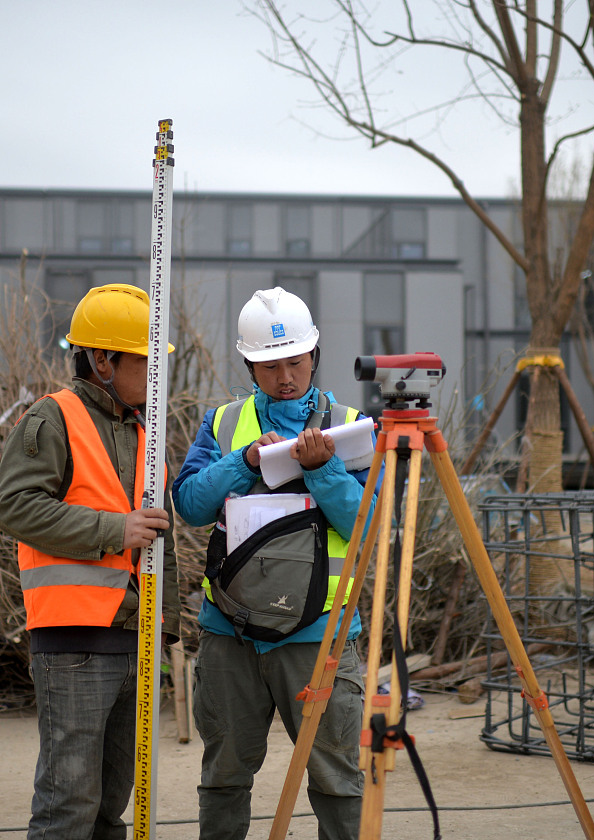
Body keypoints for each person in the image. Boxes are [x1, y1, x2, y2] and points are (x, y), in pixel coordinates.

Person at [172, 287, 375, 840]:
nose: (284, 376)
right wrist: (245, 461)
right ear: (249, 365)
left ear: (314, 355)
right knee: (225, 777)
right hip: (231, 635)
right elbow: (188, 504)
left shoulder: (353, 426)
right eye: (268, 365)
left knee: (336, 779)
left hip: (319, 637)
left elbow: (367, 527)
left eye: (294, 361)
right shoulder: (223, 423)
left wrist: (323, 471)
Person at [0, 283, 182, 840]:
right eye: (145, 363)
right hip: (73, 644)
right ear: (101, 360)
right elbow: (14, 506)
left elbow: (160, 533)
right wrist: (113, 529)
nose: (155, 377)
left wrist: (164, 623)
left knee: (109, 809)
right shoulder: (53, 419)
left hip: (136, 640)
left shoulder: (148, 432)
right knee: (68, 806)